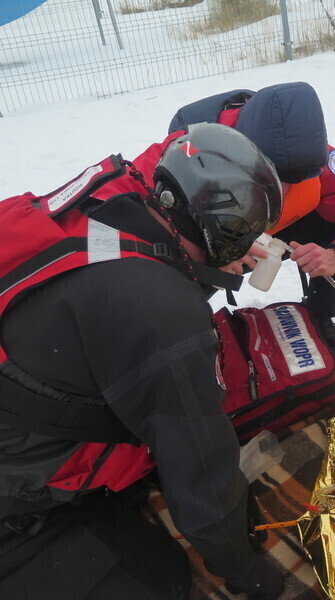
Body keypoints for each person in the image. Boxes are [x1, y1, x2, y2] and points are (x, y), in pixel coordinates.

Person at [0, 123, 286, 599]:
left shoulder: (118, 201)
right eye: (245, 234)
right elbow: (202, 476)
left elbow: (146, 274)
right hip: (15, 485)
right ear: (222, 230)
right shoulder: (164, 318)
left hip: (23, 374)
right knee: (160, 578)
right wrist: (243, 568)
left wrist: (207, 264)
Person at [168, 82, 335, 318]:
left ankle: (322, 316)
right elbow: (150, 227)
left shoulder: (313, 155)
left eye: (294, 180)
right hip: (214, 236)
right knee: (180, 288)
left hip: (282, 230)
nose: (284, 191)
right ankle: (188, 333)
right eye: (272, 178)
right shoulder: (189, 150)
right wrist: (216, 253)